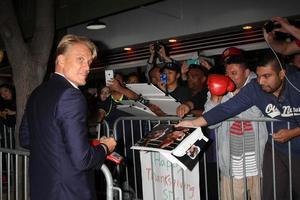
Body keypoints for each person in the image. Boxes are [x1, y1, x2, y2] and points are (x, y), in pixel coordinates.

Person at [177, 51, 300, 199]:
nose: (261, 81)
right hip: (269, 152)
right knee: (273, 195)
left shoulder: (295, 83)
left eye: (267, 76)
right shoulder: (255, 87)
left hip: (280, 152)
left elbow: (252, 114)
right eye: (260, 76)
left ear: (281, 74)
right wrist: (194, 121)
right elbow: (224, 111)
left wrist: (293, 132)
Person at [19, 34, 117, 200]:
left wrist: (60, 149)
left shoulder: (37, 93)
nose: (87, 67)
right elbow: (82, 160)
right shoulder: (71, 95)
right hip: (70, 192)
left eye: (89, 62)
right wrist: (105, 147)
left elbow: (25, 139)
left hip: (43, 188)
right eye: (80, 59)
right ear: (61, 60)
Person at [206, 47, 268, 199]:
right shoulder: (219, 87)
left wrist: (223, 109)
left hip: (257, 159)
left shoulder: (259, 85)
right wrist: (215, 98)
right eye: (227, 73)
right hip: (231, 161)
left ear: (246, 73)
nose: (229, 78)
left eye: (234, 73)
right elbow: (211, 123)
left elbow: (255, 113)